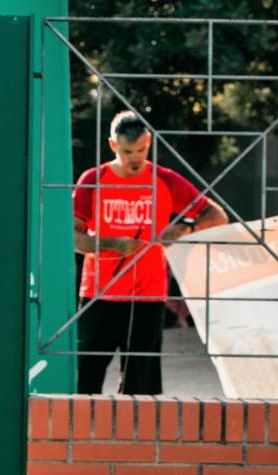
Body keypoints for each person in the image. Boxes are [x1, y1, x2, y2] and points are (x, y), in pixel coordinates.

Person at [73, 110, 228, 394]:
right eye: (127, 151)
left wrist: (184, 227)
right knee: (84, 380)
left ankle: (131, 424)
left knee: (141, 388)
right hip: (99, 294)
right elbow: (71, 238)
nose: (135, 158)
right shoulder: (93, 179)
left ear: (150, 143)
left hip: (148, 295)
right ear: (113, 145)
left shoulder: (164, 179)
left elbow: (217, 215)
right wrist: (112, 244)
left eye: (141, 150)